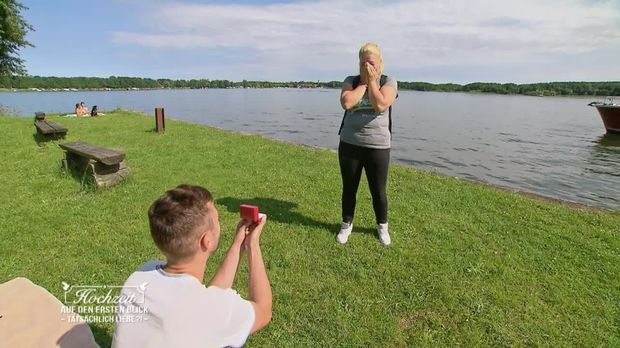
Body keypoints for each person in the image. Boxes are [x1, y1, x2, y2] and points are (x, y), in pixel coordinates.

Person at [112, 185, 272, 347]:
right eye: (217, 220)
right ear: (206, 240)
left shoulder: (139, 277)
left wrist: (239, 243)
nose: (219, 223)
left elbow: (210, 298)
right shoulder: (215, 310)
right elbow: (263, 311)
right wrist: (253, 246)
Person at [336, 42, 398, 246]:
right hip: (349, 144)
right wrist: (363, 82)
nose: (367, 67)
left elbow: (380, 103)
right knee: (349, 187)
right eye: (363, 63)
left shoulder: (389, 81)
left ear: (380, 62)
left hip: (378, 146)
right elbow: (346, 102)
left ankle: (382, 227)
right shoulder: (351, 81)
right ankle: (346, 225)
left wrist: (372, 81)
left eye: (371, 62)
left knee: (378, 190)